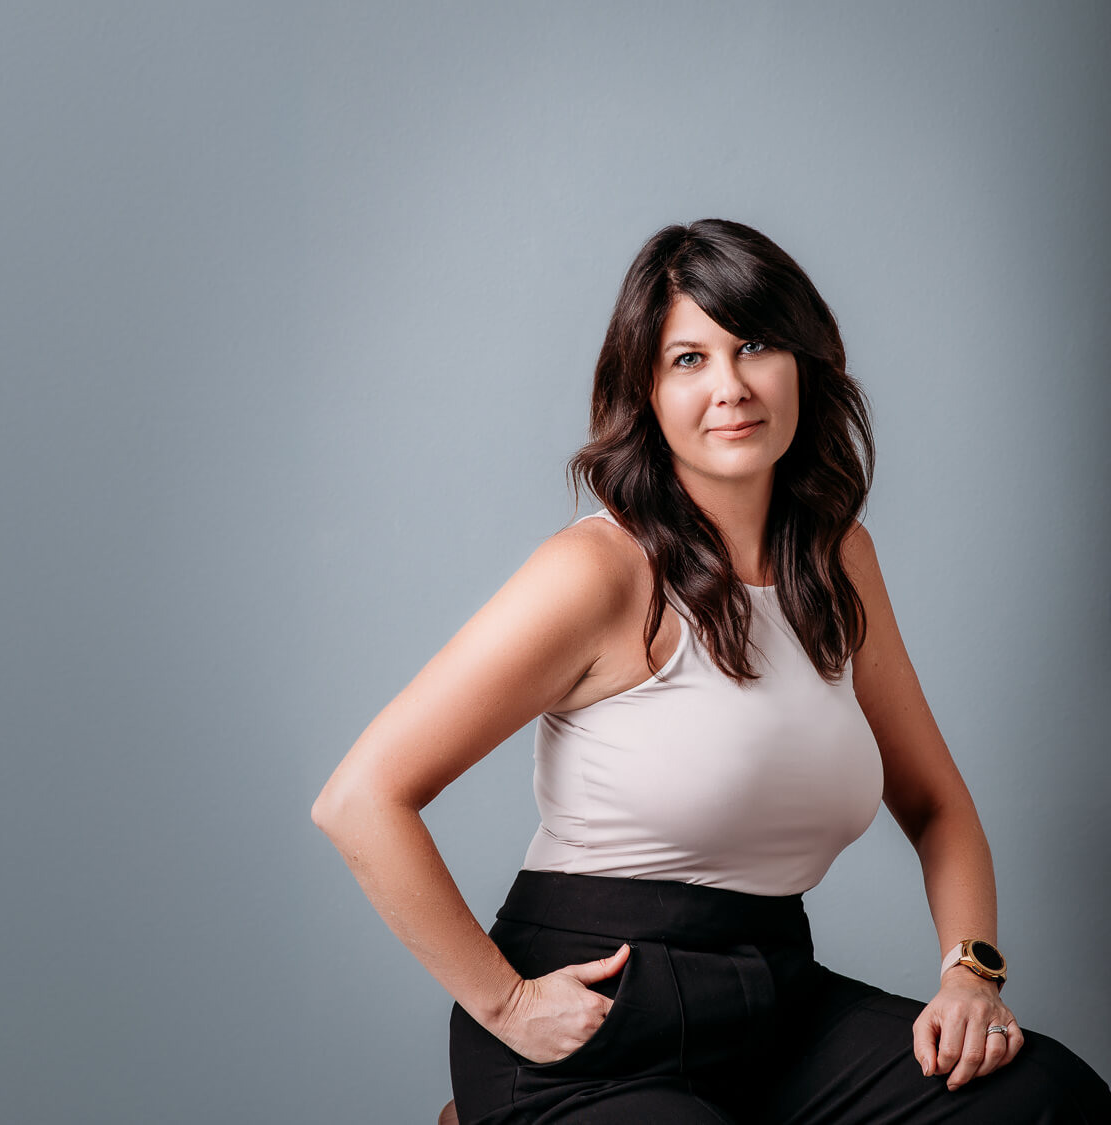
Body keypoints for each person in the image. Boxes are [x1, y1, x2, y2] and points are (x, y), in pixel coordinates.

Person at [310, 219, 1111, 1124]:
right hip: (594, 1024)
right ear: (645, 389)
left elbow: (936, 805)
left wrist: (971, 974)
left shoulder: (838, 558)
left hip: (773, 999)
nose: (728, 387)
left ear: (804, 363)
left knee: (1047, 1098)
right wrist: (508, 1003)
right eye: (687, 358)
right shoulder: (601, 572)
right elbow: (359, 797)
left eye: (755, 345)